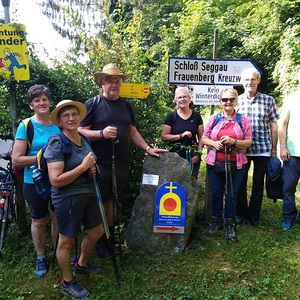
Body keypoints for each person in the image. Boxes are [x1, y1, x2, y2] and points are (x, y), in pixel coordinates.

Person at [78, 63, 168, 259]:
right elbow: (79, 131)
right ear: (101, 82)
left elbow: (132, 131)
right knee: (99, 203)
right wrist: (101, 134)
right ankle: (99, 240)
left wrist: (147, 148)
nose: (114, 84)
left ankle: (108, 238)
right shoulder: (92, 104)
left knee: (114, 202)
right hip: (98, 164)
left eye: (117, 81)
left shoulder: (126, 105)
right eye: (109, 80)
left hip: (120, 164)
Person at [44, 100, 104, 299]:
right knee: (66, 240)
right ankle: (67, 281)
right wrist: (84, 167)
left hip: (89, 193)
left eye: (74, 114)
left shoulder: (83, 138)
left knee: (97, 232)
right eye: (66, 115)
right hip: (67, 197)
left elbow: (91, 163)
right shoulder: (56, 142)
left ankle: (81, 265)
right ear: (60, 121)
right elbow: (56, 180)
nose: (71, 118)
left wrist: (94, 169)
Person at [12, 85, 60, 277]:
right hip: (34, 182)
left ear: (49, 102)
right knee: (39, 221)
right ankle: (41, 257)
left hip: (57, 180)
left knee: (57, 217)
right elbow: (17, 159)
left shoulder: (58, 126)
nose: (41, 103)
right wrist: (43, 157)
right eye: (37, 100)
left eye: (44, 99)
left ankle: (59, 251)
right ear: (31, 105)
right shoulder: (26, 126)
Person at [202, 88, 252, 239]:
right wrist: (214, 143)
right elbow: (204, 138)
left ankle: (229, 222)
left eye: (231, 99)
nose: (228, 102)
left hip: (236, 163)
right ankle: (216, 220)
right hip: (215, 161)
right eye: (224, 99)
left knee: (232, 195)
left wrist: (233, 141)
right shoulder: (214, 118)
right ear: (220, 101)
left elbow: (248, 142)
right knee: (216, 193)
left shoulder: (243, 120)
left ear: (236, 101)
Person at [236, 68, 280, 226]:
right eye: (246, 80)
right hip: (242, 150)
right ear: (242, 82)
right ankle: (241, 213)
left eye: (253, 79)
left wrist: (274, 150)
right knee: (240, 182)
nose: (249, 82)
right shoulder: (237, 100)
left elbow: (274, 126)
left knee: (258, 183)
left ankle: (254, 215)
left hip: (262, 149)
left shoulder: (268, 100)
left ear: (258, 80)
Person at [161, 86, 204, 179]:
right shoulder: (171, 116)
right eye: (179, 97)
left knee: (191, 183)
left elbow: (202, 138)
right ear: (175, 100)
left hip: (193, 157)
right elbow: (164, 137)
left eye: (185, 96)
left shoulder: (196, 116)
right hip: (175, 157)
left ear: (189, 98)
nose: (182, 99)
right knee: (175, 183)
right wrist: (181, 136)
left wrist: (198, 154)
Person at [279, 88, 300, 230]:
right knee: (288, 186)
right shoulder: (291, 98)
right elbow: (283, 124)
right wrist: (283, 147)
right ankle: (288, 216)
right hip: (292, 153)